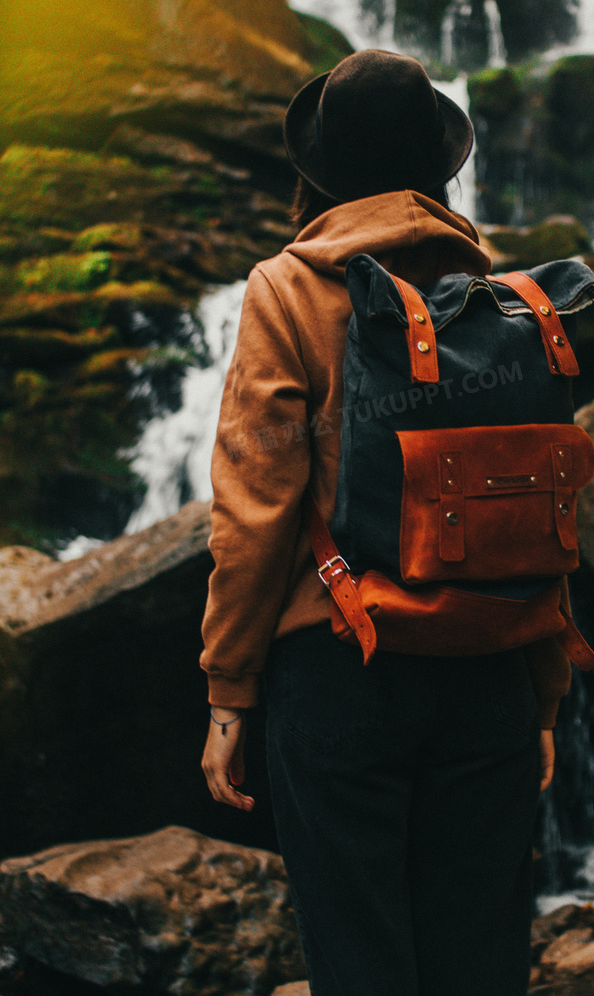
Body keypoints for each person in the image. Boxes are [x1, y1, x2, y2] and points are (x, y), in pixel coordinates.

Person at [200, 49, 573, 996]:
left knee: (361, 958)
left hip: (341, 668)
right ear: (439, 169)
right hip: (488, 662)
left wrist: (229, 692)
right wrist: (541, 692)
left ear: (321, 170)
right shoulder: (500, 300)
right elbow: (531, 513)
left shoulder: (287, 289)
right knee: (480, 961)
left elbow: (256, 508)